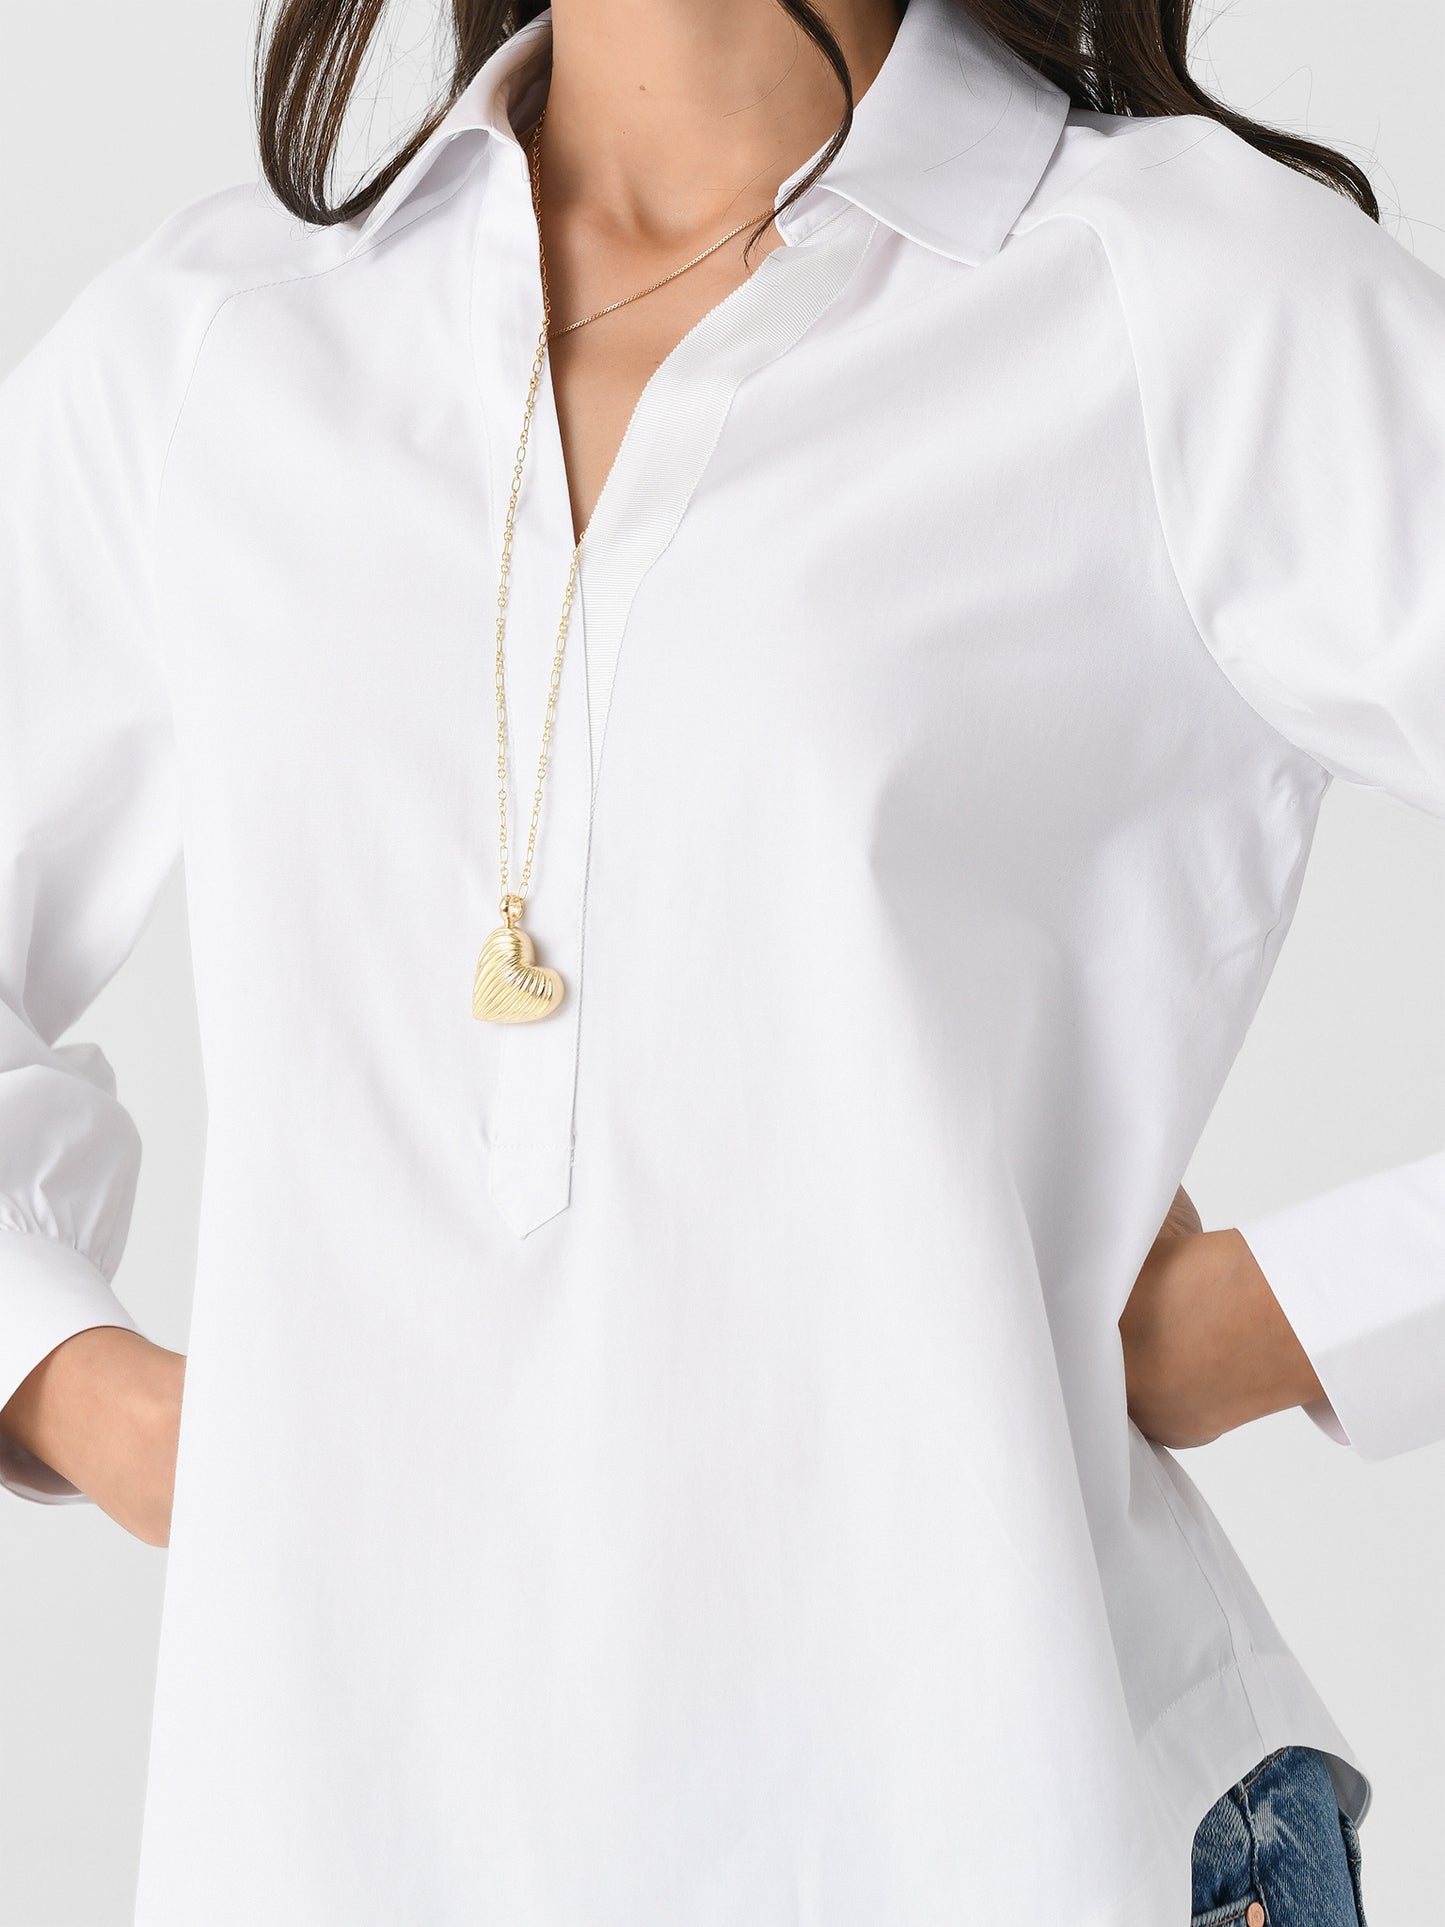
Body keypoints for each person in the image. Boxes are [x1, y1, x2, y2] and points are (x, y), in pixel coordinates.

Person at [0, 0, 1439, 1919]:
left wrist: (1277, 1320)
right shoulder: (220, 352)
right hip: (354, 1838)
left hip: (1010, 1821)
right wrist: (85, 1395)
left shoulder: (1184, 298)